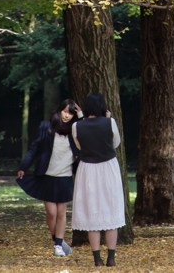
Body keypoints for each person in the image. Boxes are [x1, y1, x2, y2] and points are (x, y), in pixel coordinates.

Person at [17, 99, 82, 257]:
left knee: (61, 212)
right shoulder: (46, 126)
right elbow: (34, 149)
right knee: (51, 212)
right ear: (59, 110)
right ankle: (57, 240)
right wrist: (23, 166)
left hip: (65, 177)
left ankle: (58, 246)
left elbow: (87, 127)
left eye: (71, 113)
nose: (67, 115)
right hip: (47, 175)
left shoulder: (75, 129)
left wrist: (80, 115)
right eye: (65, 111)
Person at [72, 92, 125, 267]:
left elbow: (80, 145)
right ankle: (111, 257)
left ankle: (97, 259)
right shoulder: (110, 122)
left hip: (87, 169)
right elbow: (115, 143)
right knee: (111, 211)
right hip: (108, 167)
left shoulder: (77, 126)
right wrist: (108, 119)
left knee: (91, 214)